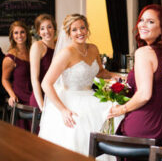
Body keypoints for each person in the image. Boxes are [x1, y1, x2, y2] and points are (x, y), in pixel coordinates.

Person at [39, 14, 121, 156]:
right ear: (69, 33)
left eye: (82, 28)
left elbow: (100, 72)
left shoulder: (93, 49)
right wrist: (63, 110)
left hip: (91, 96)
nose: (80, 32)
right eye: (74, 30)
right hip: (71, 99)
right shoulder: (66, 53)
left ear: (87, 29)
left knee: (114, 114)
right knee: (79, 133)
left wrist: (118, 76)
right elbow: (46, 83)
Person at [108, 4, 162, 146]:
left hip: (148, 126)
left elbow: (144, 95)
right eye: (141, 20)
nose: (142, 25)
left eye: (150, 22)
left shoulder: (144, 52)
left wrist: (121, 109)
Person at [2, 21, 32, 129]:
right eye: (16, 33)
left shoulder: (32, 51)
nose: (19, 36)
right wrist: (12, 95)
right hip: (21, 95)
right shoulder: (10, 57)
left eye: (22, 32)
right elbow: (4, 79)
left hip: (33, 92)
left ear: (27, 34)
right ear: (12, 36)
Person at [29, 14, 57, 110]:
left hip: (56, 96)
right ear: (38, 32)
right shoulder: (37, 46)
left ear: (54, 29)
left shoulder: (59, 47)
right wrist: (42, 106)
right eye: (42, 28)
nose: (46, 31)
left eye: (49, 27)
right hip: (41, 97)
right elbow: (34, 79)